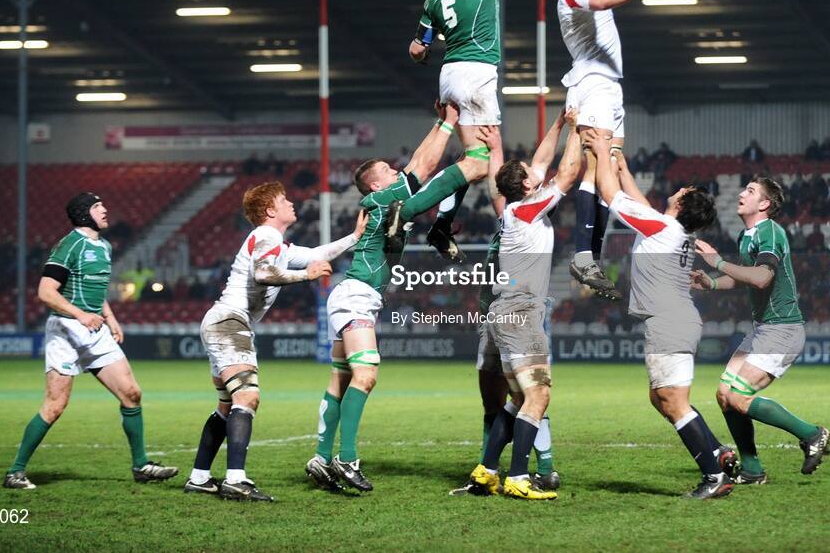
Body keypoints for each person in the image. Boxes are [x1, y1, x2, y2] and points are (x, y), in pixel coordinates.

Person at [306, 102, 494, 493]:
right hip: (357, 295)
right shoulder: (378, 201)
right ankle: (347, 458)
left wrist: (454, 144)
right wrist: (448, 124)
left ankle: (322, 457)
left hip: (353, 294)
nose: (397, 173)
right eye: (389, 173)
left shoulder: (393, 208)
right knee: (366, 375)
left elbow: (430, 175)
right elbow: (423, 168)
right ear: (377, 185)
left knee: (340, 378)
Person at [186, 183, 366, 502]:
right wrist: (306, 276)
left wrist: (354, 237)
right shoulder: (266, 235)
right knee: (247, 397)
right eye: (284, 200)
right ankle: (236, 480)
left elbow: (314, 254)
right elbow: (264, 273)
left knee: (227, 405)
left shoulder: (275, 242)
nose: (292, 202)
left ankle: (200, 478)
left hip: (223, 320)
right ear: (271, 211)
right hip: (230, 321)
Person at [588, 131, 737, 499]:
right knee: (662, 399)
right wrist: (621, 167)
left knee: (671, 400)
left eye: (683, 189)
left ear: (683, 202)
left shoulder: (663, 228)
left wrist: (603, 153)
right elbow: (640, 204)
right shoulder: (668, 228)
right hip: (678, 319)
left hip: (668, 322)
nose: (679, 188)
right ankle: (718, 452)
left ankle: (713, 474)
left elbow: (611, 197)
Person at [2, 193, 178, 489]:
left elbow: (95, 289)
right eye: (98, 207)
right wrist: (81, 315)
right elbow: (46, 292)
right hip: (66, 331)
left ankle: (141, 465)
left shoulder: (104, 246)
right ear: (84, 213)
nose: (105, 210)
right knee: (56, 405)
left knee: (131, 394)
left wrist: (110, 318)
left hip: (96, 330)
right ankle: (14, 472)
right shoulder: (69, 245)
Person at [408, 0, 561, 265]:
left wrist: (428, 50)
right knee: (480, 161)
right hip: (475, 74)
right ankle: (406, 210)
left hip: (448, 74)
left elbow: (416, 49)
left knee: (472, 157)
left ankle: (442, 224)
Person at [545, 0, 683, 301]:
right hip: (593, 83)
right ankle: (583, 254)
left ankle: (593, 254)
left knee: (611, 163)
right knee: (595, 167)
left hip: (605, 85)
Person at [465, 109, 582, 501]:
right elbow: (565, 174)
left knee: (518, 399)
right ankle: (518, 477)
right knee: (539, 395)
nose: (538, 172)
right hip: (521, 313)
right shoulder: (527, 211)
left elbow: (543, 161)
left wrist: (560, 124)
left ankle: (488, 469)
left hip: (505, 313)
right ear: (527, 186)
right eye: (532, 174)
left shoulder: (517, 209)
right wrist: (582, 132)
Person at [691, 177, 830, 484]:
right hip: (763, 329)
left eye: (750, 191)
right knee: (725, 395)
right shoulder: (748, 235)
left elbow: (761, 278)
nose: (742, 193)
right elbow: (744, 277)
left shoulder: (770, 231)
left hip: (782, 330)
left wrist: (718, 261)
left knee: (739, 397)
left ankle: (812, 434)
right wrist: (712, 281)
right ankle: (753, 469)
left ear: (765, 204)